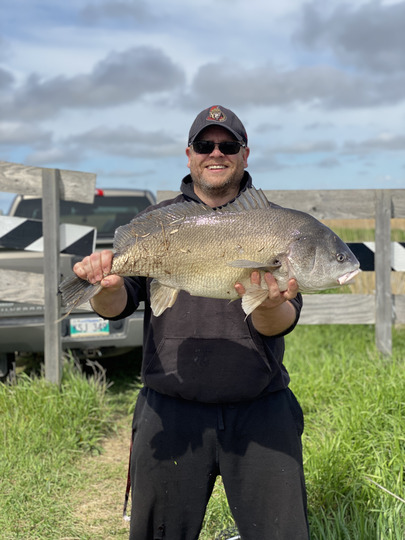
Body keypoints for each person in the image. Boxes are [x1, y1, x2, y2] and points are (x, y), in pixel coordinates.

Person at [73, 105, 310, 540]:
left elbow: (281, 321)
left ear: (244, 154)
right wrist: (104, 288)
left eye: (227, 145)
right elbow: (119, 303)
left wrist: (266, 304)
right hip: (170, 411)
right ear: (189, 154)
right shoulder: (158, 223)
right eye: (205, 144)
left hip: (260, 410)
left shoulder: (278, 226)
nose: (215, 153)